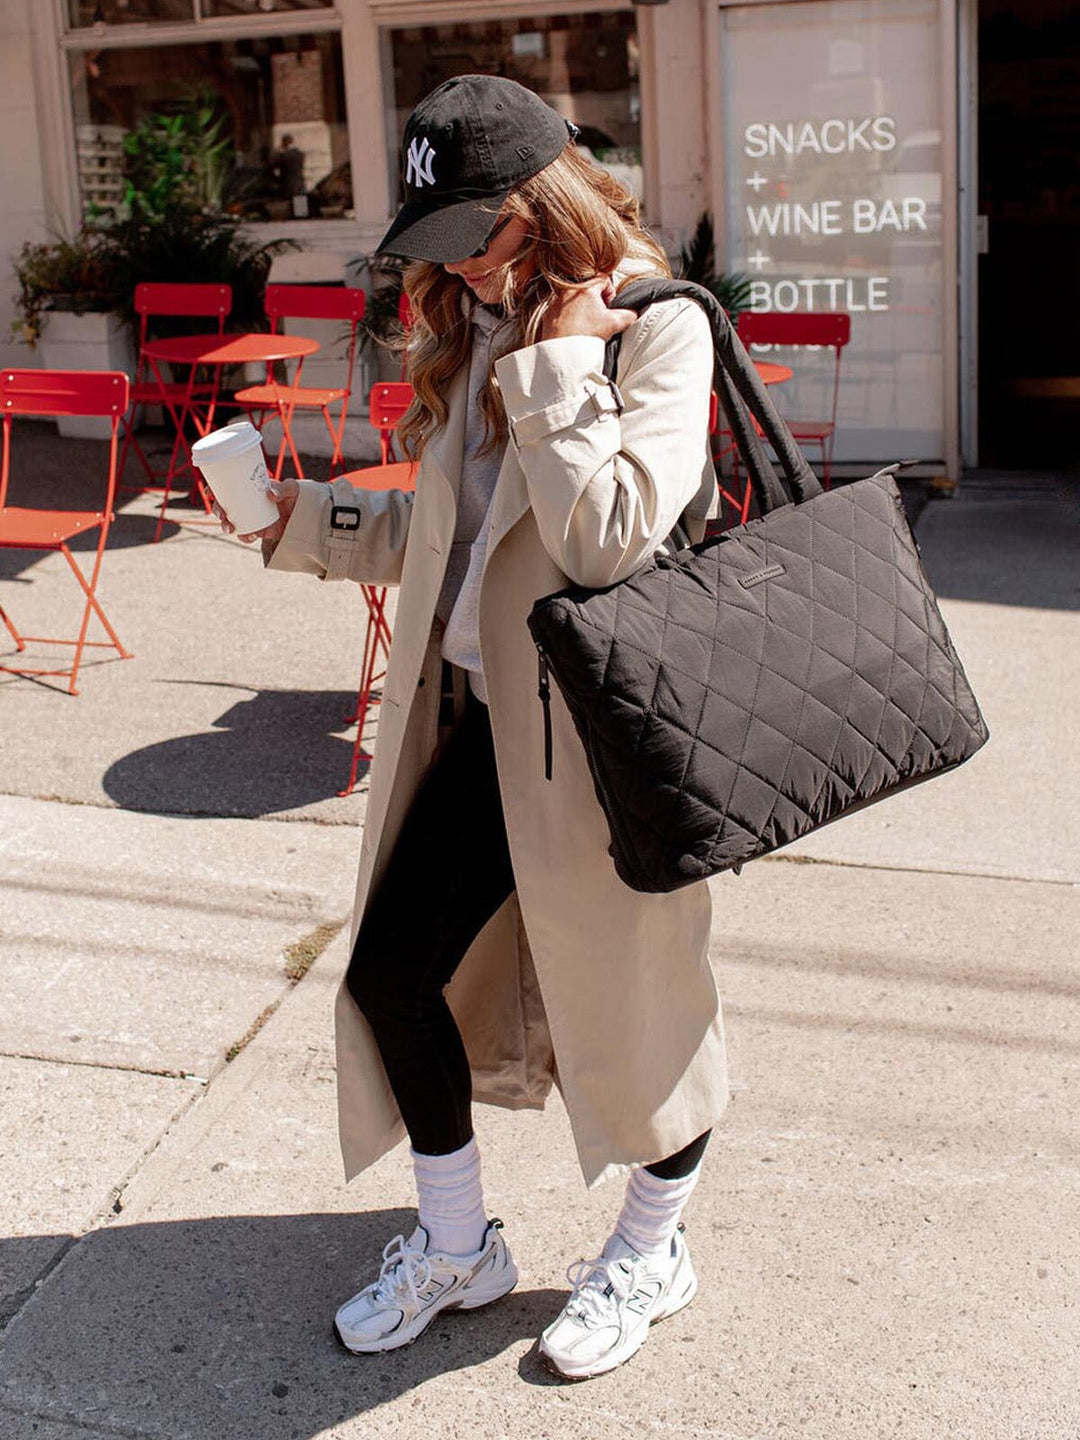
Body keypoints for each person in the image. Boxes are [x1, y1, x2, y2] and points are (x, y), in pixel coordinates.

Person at [223, 73, 727, 1380]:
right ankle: (459, 1245)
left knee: (638, 1021)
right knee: (391, 977)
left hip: (608, 752)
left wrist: (561, 362)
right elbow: (439, 540)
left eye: (470, 234)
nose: (453, 266)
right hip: (486, 725)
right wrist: (301, 521)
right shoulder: (487, 328)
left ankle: (653, 1246)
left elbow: (609, 541)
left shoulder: (655, 330)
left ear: (535, 208)